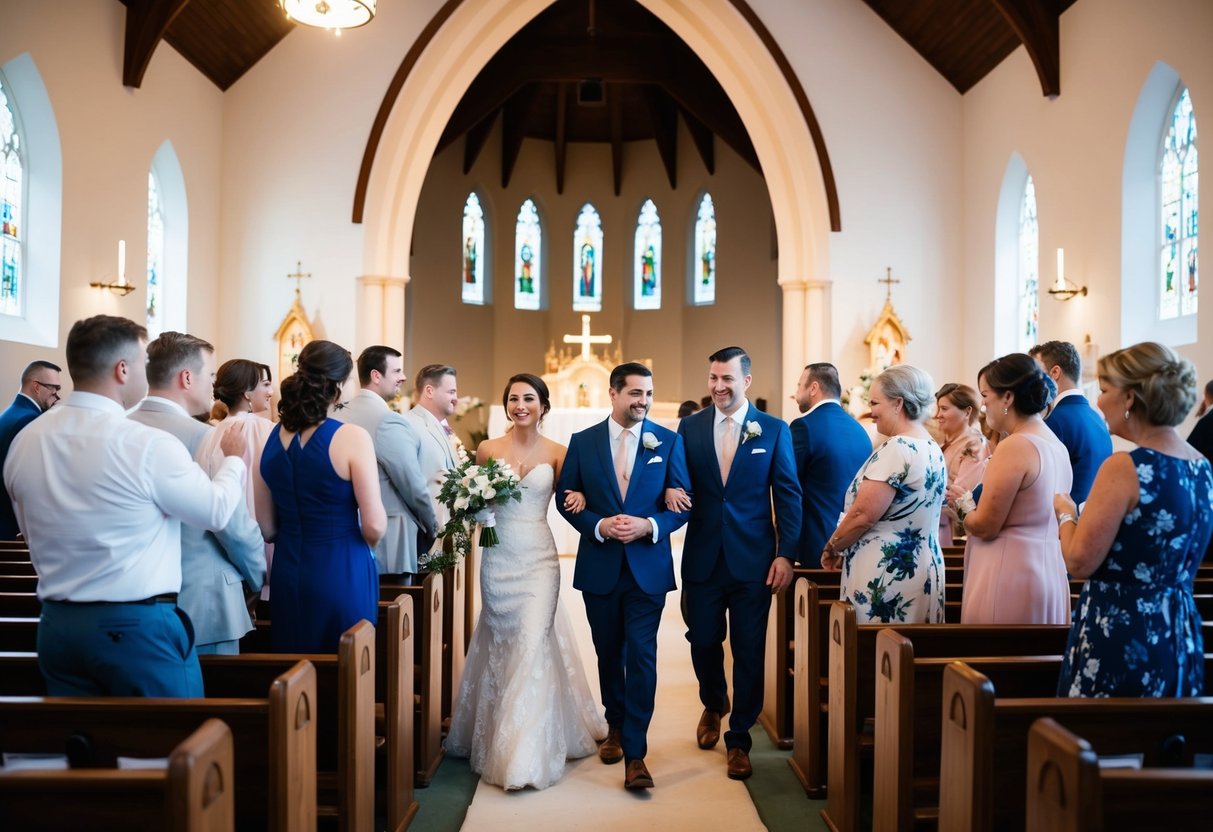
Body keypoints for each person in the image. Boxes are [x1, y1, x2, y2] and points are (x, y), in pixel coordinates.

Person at [3, 315, 247, 696]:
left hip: (57, 624)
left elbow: (28, 528)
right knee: (174, 744)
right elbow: (214, 512)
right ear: (122, 370)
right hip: (135, 626)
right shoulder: (145, 443)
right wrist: (233, 461)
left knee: (80, 745)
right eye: (142, 364)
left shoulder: (26, 441)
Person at [448, 373, 606, 790]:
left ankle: (522, 756)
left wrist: (582, 498)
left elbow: (577, 496)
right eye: (514, 398)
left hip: (538, 560)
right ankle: (498, 733)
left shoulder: (559, 451)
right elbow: (472, 500)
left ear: (543, 405)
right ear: (506, 405)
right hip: (498, 559)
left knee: (533, 642)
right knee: (502, 642)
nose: (521, 405)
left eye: (529, 398)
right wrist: (477, 513)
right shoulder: (487, 449)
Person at [556, 362, 690, 790]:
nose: (643, 401)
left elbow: (683, 504)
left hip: (647, 569)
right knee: (609, 652)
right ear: (612, 393)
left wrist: (650, 526)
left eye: (648, 393)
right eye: (635, 393)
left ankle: (636, 752)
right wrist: (598, 524)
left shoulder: (667, 441)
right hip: (601, 567)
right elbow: (565, 498)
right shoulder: (583, 442)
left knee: (643, 657)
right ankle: (614, 724)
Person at [1054, 342, 1212, 697]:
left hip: (1123, 629)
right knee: (1163, 742)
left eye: (1106, 390)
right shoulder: (1201, 467)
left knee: (1108, 744)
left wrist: (1065, 512)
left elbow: (1079, 560)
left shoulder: (1126, 468)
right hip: (1178, 629)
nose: (1098, 401)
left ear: (1129, 398)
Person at [676, 347, 800, 781]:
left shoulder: (773, 430)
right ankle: (714, 701)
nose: (718, 387)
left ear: (746, 381)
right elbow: (675, 481)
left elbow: (787, 493)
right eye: (713, 378)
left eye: (727, 379)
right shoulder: (688, 428)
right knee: (702, 639)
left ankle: (739, 737)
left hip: (754, 560)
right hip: (703, 557)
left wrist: (786, 553)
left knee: (749, 650)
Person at [129, 332, 266, 654]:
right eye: (211, 375)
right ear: (187, 378)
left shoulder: (119, 429)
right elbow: (233, 525)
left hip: (133, 600)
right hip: (204, 602)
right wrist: (259, 578)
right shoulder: (206, 437)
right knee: (209, 701)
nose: (214, 386)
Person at [260, 340, 386, 653]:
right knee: (348, 675)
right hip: (341, 568)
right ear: (339, 385)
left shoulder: (272, 436)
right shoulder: (351, 437)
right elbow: (374, 526)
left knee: (296, 677)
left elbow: (268, 528)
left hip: (288, 573)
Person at [820, 364, 945, 626]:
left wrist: (834, 545)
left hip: (888, 571)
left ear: (898, 403)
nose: (871, 411)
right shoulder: (932, 447)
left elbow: (864, 515)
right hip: (924, 563)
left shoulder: (898, 448)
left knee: (881, 654)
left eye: (875, 403)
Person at [957, 355, 1070, 625]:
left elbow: (985, 525)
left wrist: (963, 505)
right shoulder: (1056, 445)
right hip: (1047, 568)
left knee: (996, 660)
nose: (982, 404)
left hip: (1009, 573)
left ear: (1007, 397)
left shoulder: (1015, 446)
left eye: (985, 395)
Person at [335, 346, 438, 583]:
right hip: (389, 545)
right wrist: (432, 526)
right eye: (397, 371)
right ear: (376, 375)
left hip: (343, 537)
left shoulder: (335, 413)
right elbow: (411, 483)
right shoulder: (388, 421)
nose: (403, 377)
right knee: (396, 615)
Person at [790, 362, 872, 564]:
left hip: (816, 545)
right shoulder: (860, 431)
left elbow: (790, 486)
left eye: (799, 385)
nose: (796, 393)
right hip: (854, 543)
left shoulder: (804, 426)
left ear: (813, 388)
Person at [1030, 340, 1113, 504]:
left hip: (1063, 522)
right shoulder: (1098, 418)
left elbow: (1038, 487)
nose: (1030, 383)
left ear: (1055, 372)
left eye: (1034, 374)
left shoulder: (1053, 421)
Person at [404, 364, 461, 570]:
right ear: (429, 391)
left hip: (444, 535)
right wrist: (433, 528)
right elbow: (410, 482)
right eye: (451, 391)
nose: (456, 397)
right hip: (424, 536)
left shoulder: (440, 425)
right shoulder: (408, 425)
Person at [0, 360, 61, 540]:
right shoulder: (28, 420)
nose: (57, 395)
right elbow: (30, 482)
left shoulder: (11, 413)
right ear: (35, 386)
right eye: (54, 388)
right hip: (12, 530)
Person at [933, 383, 991, 545]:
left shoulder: (974, 446)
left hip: (954, 534)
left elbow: (961, 494)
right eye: (938, 409)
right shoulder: (943, 444)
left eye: (944, 409)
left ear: (967, 412)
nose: (938, 415)